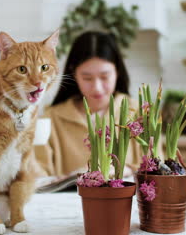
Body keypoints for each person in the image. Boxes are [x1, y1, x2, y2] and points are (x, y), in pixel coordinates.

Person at [34, 31, 152, 177]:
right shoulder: (51, 118)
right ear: (74, 74)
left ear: (118, 72)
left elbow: (158, 168)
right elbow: (39, 177)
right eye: (87, 78)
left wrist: (125, 170)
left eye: (105, 76)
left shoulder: (138, 112)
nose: (97, 87)